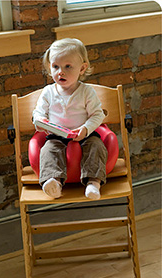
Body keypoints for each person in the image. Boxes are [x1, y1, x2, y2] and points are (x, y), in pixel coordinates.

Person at [33, 38, 107, 200]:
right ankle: (53, 181)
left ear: (82, 68)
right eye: (55, 66)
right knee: (48, 150)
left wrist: (86, 128)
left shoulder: (86, 91)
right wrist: (40, 121)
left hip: (84, 134)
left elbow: (97, 114)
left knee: (96, 146)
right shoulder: (48, 92)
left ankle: (93, 183)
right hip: (57, 136)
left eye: (68, 66)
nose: (61, 71)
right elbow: (38, 113)